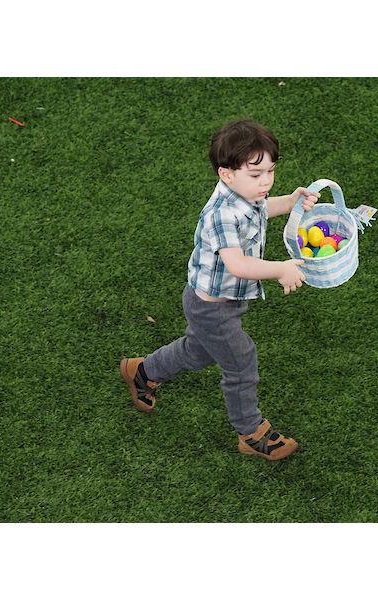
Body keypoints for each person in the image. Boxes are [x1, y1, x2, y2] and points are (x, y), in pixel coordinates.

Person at [120, 120, 320, 460]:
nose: (266, 182)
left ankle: (142, 371)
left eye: (270, 171)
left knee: (198, 353)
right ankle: (251, 433)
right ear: (226, 174)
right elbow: (238, 265)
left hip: (219, 301)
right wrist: (281, 269)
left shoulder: (245, 194)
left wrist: (289, 202)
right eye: (256, 174)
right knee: (241, 363)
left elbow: (258, 214)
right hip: (211, 307)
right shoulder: (222, 214)